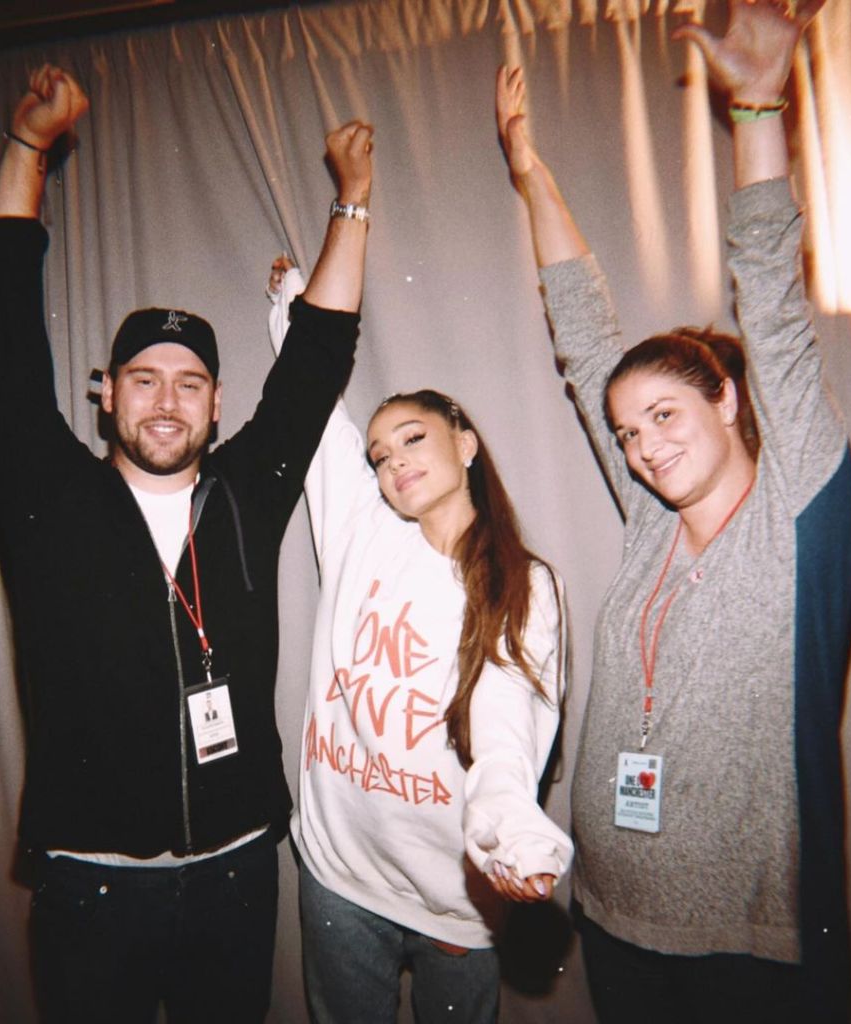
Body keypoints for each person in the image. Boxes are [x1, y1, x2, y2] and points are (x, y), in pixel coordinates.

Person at [0, 64, 371, 1023]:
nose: (167, 400)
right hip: (94, 885)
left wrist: (352, 202)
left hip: (234, 873)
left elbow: (315, 361)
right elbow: (3, 345)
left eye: (191, 383)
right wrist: (28, 150)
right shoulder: (47, 496)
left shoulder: (244, 496)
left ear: (218, 404)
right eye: (144, 378)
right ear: (106, 392)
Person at [496, 0, 851, 1020]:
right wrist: (528, 172)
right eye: (625, 432)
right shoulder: (653, 519)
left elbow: (774, 307)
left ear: (728, 402)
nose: (643, 446)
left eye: (663, 414)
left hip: (747, 945)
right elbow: (584, 338)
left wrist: (755, 107)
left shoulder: (801, 515)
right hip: (613, 916)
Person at [266, 234, 573, 1023]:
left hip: (455, 902)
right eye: (379, 455)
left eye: (413, 439)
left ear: (464, 444)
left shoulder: (523, 585)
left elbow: (509, 733)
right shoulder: (361, 531)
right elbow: (315, 415)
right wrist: (290, 310)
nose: (391, 463)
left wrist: (511, 836)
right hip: (340, 879)